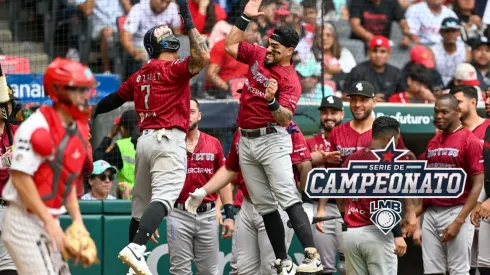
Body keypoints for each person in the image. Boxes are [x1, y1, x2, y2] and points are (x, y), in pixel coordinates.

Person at [189, 0, 323, 273]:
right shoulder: (260, 54)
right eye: (270, 43)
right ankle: (283, 258)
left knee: (287, 196)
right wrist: (244, 18)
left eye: (276, 47)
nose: (270, 49)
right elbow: (230, 46)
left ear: (289, 51)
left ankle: (312, 255)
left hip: (272, 138)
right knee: (264, 205)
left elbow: (285, 117)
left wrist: (272, 101)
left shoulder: (289, 79)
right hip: (246, 139)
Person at [92, 1, 210, 273]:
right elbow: (202, 57)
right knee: (165, 199)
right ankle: (136, 249)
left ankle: (133, 267)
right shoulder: (173, 69)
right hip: (169, 141)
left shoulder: (140, 74)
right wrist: (188, 18)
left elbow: (114, 99)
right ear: (168, 45)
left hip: (144, 141)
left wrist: (94, 110)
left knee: (140, 207)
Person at [1, 57, 96, 275]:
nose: (84, 96)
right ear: (60, 92)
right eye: (78, 90)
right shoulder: (36, 126)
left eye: (85, 89)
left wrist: (77, 221)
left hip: (45, 218)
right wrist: (49, 222)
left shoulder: (75, 129)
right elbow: (20, 179)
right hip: (22, 220)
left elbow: (68, 180)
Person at [186, 121, 313, 275]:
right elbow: (230, 170)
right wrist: (204, 192)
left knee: (273, 267)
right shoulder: (242, 130)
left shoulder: (288, 125)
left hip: (276, 204)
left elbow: (304, 165)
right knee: (243, 269)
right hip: (248, 203)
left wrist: (307, 202)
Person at [417, 94, 484, 275]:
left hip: (457, 209)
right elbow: (429, 183)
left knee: (458, 271)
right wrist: (414, 215)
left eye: (444, 112)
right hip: (432, 212)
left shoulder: (470, 140)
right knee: (432, 271)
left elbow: (477, 184)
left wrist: (459, 221)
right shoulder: (433, 141)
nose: (438, 116)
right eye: (436, 111)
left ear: (457, 112)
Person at [167, 98, 234, 274]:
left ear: (200, 116)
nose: (188, 116)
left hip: (208, 215)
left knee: (210, 272)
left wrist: (229, 214)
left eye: (192, 111)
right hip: (178, 214)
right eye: (183, 111)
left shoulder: (214, 143)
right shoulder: (169, 144)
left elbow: (224, 179)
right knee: (179, 271)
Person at [340, 116, 409, 275]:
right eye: (397, 139)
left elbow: (341, 197)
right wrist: (397, 234)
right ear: (390, 138)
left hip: (351, 233)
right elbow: (386, 201)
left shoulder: (352, 159)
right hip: (377, 232)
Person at [450, 85, 490, 275]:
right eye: (487, 96)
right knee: (476, 265)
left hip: (483, 202)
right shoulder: (449, 132)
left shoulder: (486, 128)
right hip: (464, 205)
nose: (487, 101)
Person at [305, 95, 344, 275]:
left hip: (347, 206)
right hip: (320, 207)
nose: (329, 117)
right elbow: (300, 173)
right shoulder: (310, 143)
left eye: (334, 112)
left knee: (348, 265)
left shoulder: (349, 139)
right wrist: (316, 158)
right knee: (325, 266)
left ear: (342, 114)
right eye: (325, 112)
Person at [0, 82, 20, 275]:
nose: (7, 107)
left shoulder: (19, 133)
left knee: (9, 269)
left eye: (9, 103)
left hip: (11, 208)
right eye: (3, 103)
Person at [94, 109, 138, 189]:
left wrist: (110, 135)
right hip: (150, 198)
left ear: (121, 129)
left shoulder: (121, 146)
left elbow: (97, 161)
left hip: (127, 199)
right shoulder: (149, 142)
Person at [473, 87, 490, 275]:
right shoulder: (489, 130)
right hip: (487, 205)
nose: (487, 101)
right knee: (484, 265)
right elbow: (487, 173)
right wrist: (479, 202)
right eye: (487, 96)